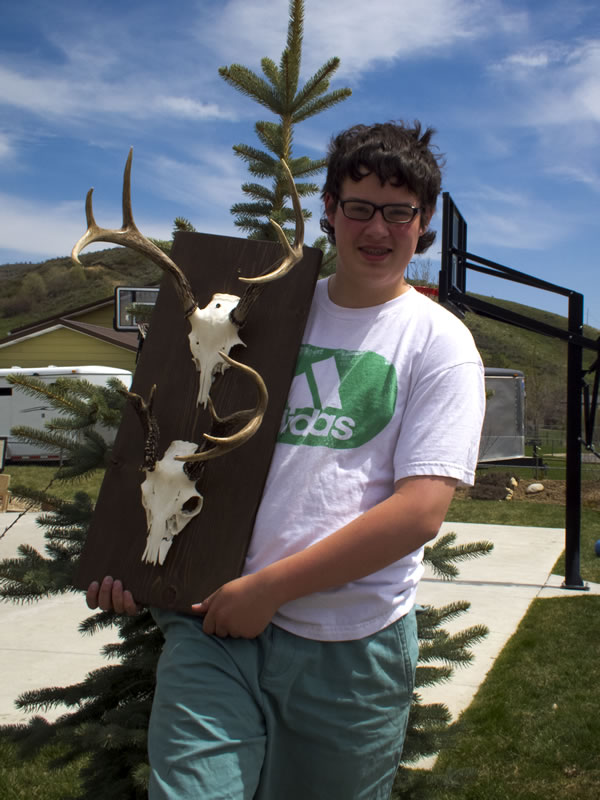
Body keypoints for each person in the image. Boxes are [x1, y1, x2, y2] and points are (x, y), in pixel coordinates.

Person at [87, 121, 485, 800]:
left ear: (423, 223)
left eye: (399, 212)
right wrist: (128, 560)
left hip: (351, 644)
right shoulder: (263, 310)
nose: (377, 229)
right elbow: (174, 430)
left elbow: (420, 512)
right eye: (358, 207)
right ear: (328, 209)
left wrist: (270, 590)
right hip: (212, 625)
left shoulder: (439, 344)